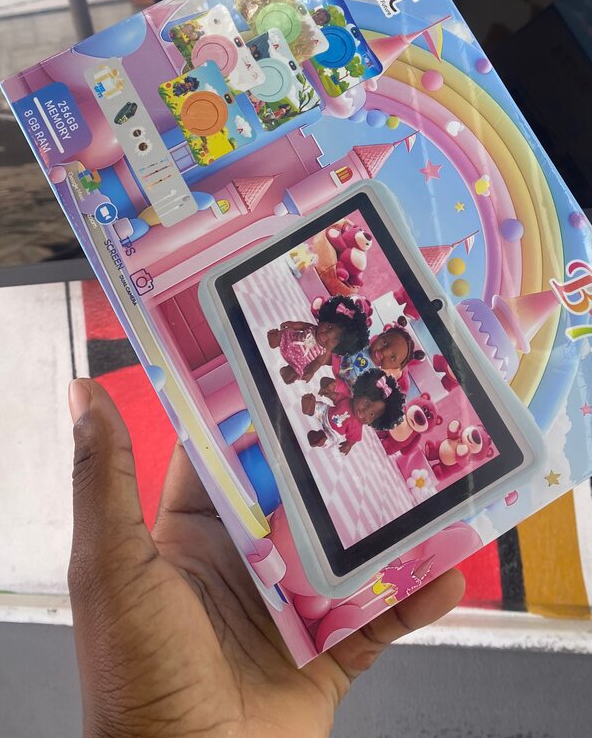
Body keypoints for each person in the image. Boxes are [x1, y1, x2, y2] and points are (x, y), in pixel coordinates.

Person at [67, 377, 464, 738]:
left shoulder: (359, 440)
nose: (366, 412)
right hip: (274, 510)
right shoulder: (337, 404)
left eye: (374, 414)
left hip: (296, 559)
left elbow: (343, 448)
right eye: (368, 405)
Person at [268, 294, 370, 385]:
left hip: (297, 362)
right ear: (325, 319)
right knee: (279, 337)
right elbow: (302, 326)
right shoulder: (313, 328)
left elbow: (317, 362)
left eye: (335, 338)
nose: (327, 334)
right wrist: (292, 324)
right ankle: (274, 340)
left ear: (339, 346)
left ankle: (286, 373)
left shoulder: (324, 351)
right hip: (289, 341)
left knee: (292, 374)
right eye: (329, 326)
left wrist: (311, 371)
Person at [302, 369, 405, 454]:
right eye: (366, 403)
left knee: (330, 441)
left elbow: (353, 439)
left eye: (372, 415)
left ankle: (320, 439)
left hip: (333, 433)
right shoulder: (347, 400)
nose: (366, 411)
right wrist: (328, 393)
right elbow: (335, 397)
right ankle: (310, 407)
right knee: (318, 407)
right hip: (325, 413)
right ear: (361, 393)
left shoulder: (357, 427)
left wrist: (348, 445)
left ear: (377, 421)